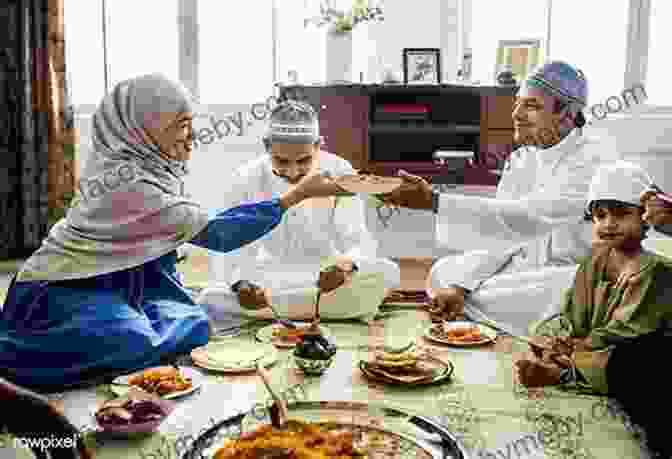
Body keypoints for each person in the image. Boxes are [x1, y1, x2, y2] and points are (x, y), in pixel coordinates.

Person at [0, 74, 343, 390]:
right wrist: (297, 195)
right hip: (62, 290)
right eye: (181, 126)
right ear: (144, 128)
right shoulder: (129, 183)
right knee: (132, 340)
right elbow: (219, 235)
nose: (192, 137)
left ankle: (130, 327)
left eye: (191, 124)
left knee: (196, 322)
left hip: (120, 281)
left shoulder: (142, 165)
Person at [378, 60, 619, 335]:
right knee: (442, 273)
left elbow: (529, 216)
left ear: (566, 114)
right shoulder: (522, 158)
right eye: (517, 103)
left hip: (569, 272)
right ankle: (497, 309)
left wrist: (434, 201)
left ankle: (514, 314)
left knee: (572, 289)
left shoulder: (593, 159)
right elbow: (503, 232)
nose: (516, 114)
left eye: (532, 106)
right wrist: (461, 286)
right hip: (522, 272)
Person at [514, 161, 672, 458]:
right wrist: (561, 336)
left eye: (621, 214)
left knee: (618, 359)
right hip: (589, 343)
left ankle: (563, 373)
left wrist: (579, 346)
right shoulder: (597, 258)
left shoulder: (657, 270)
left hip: (627, 346)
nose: (609, 224)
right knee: (546, 328)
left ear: (645, 219)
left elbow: (630, 327)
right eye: (600, 215)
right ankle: (562, 363)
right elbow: (574, 307)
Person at [196, 100, 401, 320]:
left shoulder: (340, 172)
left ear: (318, 145)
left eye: (304, 160)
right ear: (267, 146)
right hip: (269, 277)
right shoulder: (245, 178)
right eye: (281, 161)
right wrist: (241, 283)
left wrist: (345, 266)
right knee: (212, 296)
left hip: (325, 277)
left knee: (387, 272)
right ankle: (326, 311)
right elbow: (234, 247)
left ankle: (280, 311)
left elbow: (358, 239)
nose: (293, 172)